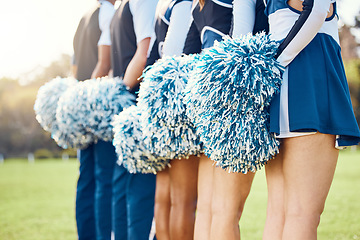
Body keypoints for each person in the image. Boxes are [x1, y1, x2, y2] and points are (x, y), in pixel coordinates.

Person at [257, 0, 360, 239]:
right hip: (309, 87)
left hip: (282, 95)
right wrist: (275, 66)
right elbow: (315, 10)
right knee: (303, 214)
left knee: (279, 212)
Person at [183, 0, 270, 239]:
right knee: (227, 211)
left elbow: (186, 57)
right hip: (234, 108)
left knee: (208, 210)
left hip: (206, 107)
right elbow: (240, 42)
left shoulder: (195, 5)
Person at [109, 1, 158, 239]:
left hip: (122, 109)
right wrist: (122, 93)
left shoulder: (119, 7)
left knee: (123, 188)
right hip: (134, 104)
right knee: (140, 189)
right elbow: (144, 53)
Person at [145, 1, 193, 239]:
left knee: (169, 197)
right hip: (179, 110)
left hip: (164, 107)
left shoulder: (164, 5)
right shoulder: (182, 4)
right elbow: (172, 58)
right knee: (185, 201)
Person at [72, 1, 116, 240]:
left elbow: (75, 66)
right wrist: (90, 100)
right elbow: (104, 63)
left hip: (82, 108)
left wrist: (77, 103)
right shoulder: (108, 12)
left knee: (86, 178)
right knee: (104, 179)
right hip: (99, 108)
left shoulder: (85, 16)